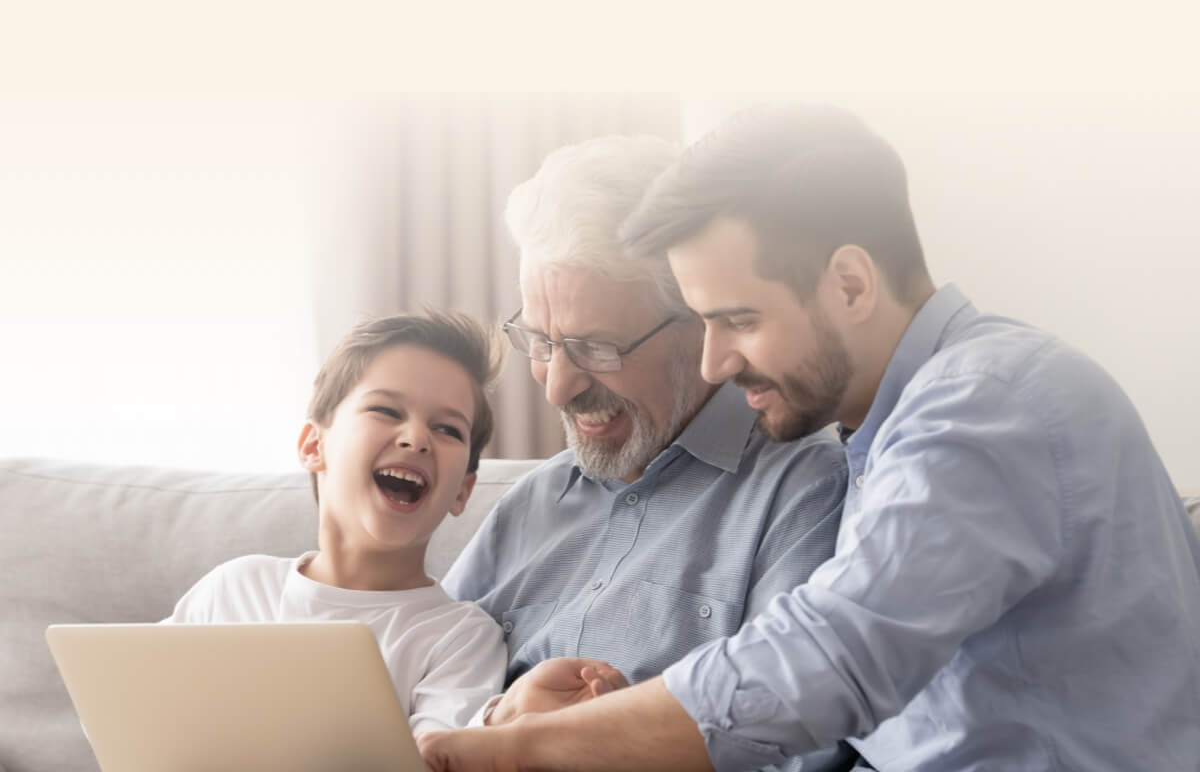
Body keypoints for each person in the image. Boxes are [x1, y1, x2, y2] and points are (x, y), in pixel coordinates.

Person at [421, 105, 1200, 771]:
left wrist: (526, 748)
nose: (716, 361)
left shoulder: (987, 403)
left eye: (738, 320)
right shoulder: (902, 424)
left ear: (851, 284)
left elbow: (825, 661)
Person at [441, 133, 849, 765]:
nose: (557, 387)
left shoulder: (806, 494)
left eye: (596, 348)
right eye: (541, 342)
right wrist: (497, 716)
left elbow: (802, 752)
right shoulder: (534, 503)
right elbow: (416, 682)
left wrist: (597, 744)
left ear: (701, 324)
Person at [165, 311, 507, 736]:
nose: (416, 438)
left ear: (463, 491)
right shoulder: (234, 589)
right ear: (313, 446)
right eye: (386, 409)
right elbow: (128, 713)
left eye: (447, 429)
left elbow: (441, 756)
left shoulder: (460, 638)